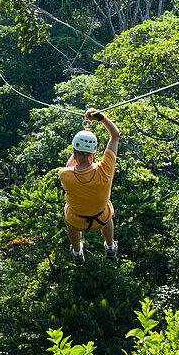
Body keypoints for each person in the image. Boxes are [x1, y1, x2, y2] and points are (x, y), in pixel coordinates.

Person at [58, 108, 120, 264]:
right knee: (107, 210)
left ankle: (78, 252)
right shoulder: (105, 169)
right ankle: (110, 246)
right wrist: (102, 118)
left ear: (74, 151)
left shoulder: (65, 175)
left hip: (77, 221)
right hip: (101, 219)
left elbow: (70, 166)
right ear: (94, 153)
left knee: (69, 215)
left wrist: (83, 135)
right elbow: (115, 135)